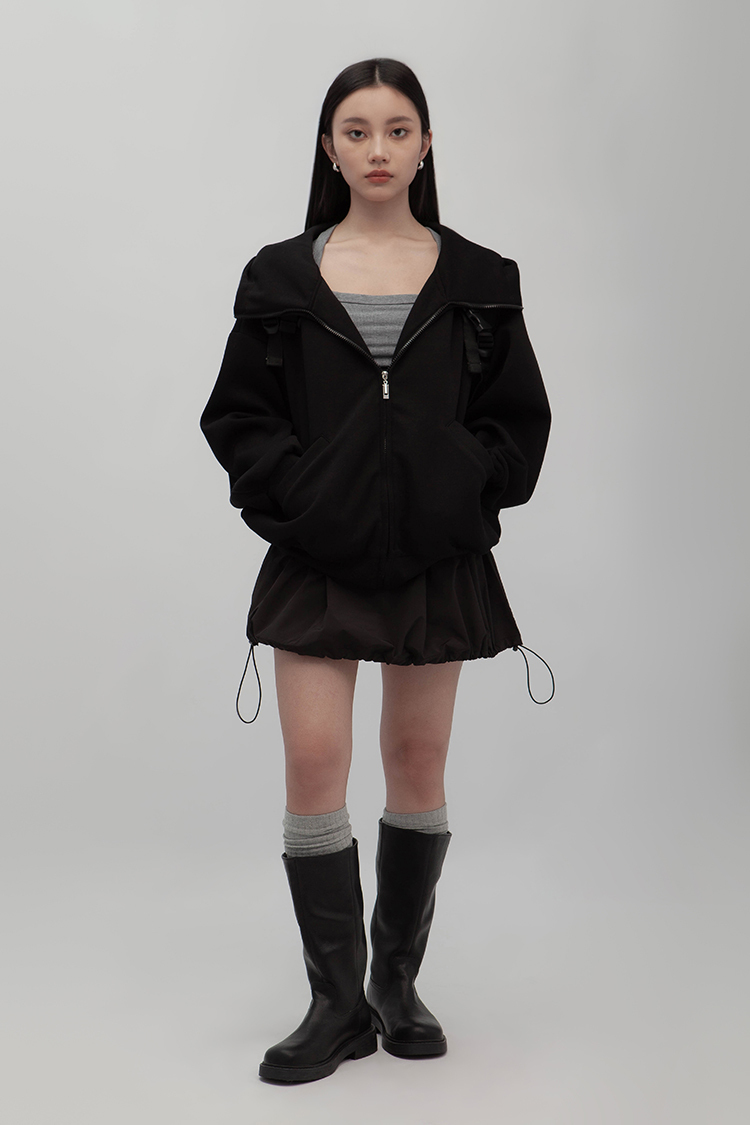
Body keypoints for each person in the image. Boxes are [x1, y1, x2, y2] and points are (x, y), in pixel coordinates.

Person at [200, 57, 551, 1084]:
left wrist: (462, 489)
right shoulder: (280, 277)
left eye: (398, 130)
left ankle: (395, 985)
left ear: (426, 145)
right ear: (330, 149)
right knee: (315, 761)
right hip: (319, 552)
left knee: (416, 759)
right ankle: (335, 1003)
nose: (378, 149)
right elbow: (239, 416)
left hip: (435, 553)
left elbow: (517, 420)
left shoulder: (480, 278)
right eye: (356, 131)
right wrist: (299, 495)